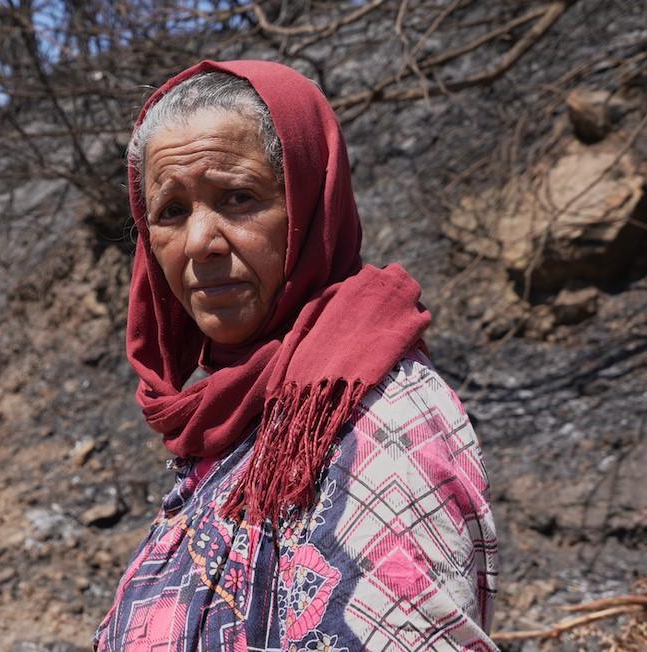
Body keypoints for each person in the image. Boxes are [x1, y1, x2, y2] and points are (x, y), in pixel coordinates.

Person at [95, 60, 498, 651]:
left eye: (238, 197)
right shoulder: (232, 414)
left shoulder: (377, 421)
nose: (201, 241)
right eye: (172, 211)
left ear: (310, 205)